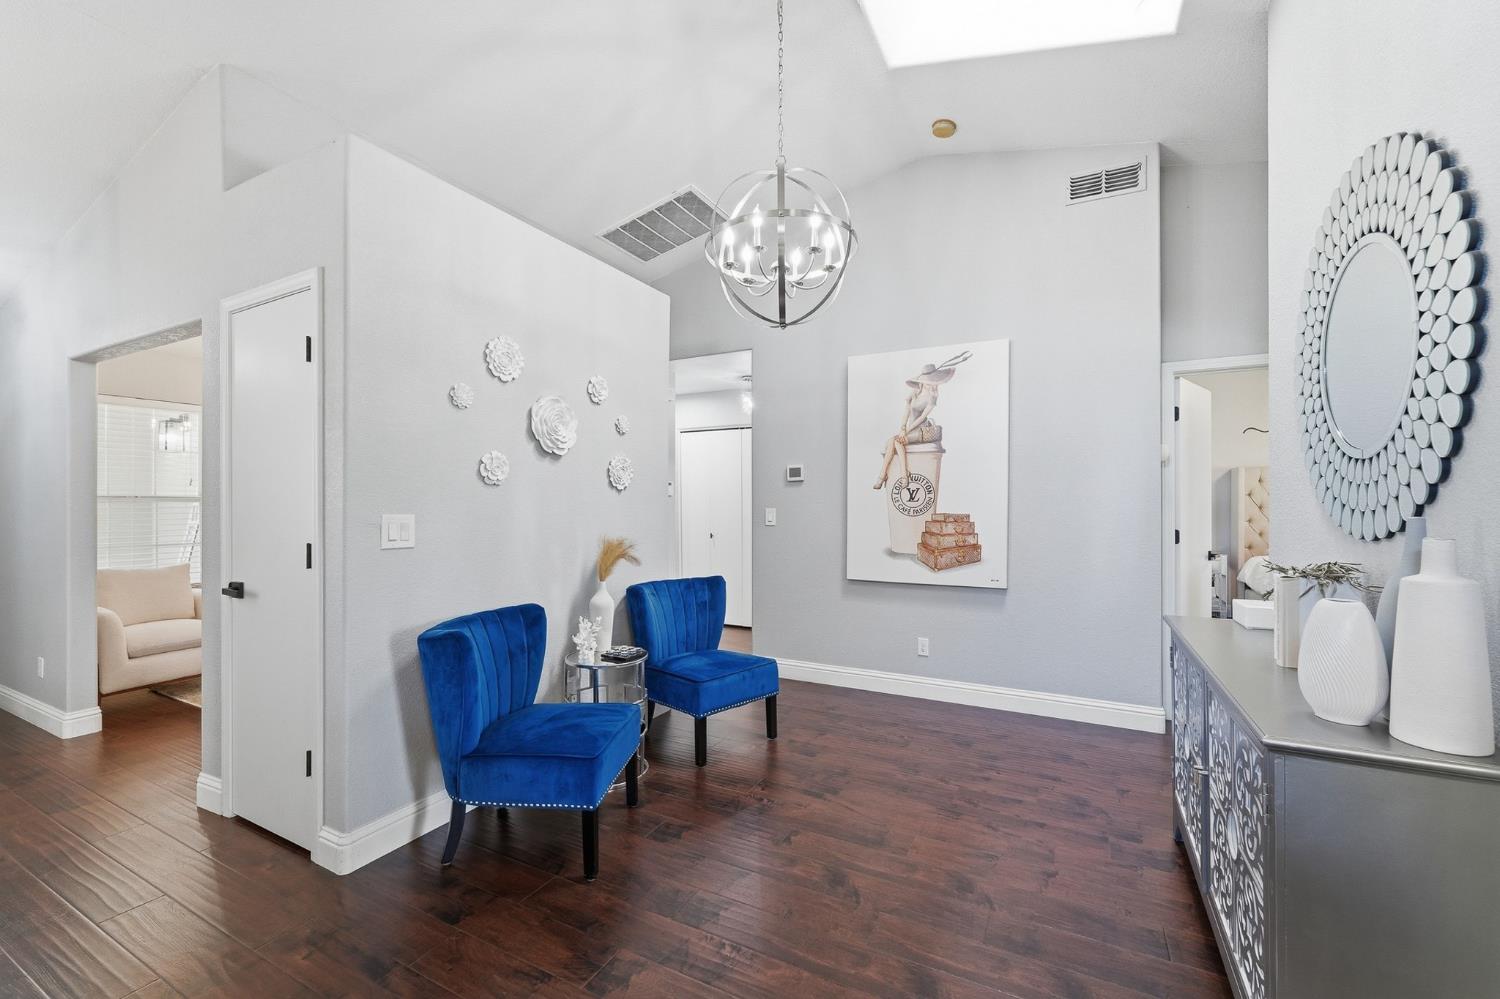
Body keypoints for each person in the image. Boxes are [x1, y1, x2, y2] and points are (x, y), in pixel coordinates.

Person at [873, 350, 971, 490]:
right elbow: (907, 410)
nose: (929, 383)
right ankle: (895, 475)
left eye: (932, 381)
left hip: (922, 431)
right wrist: (902, 427)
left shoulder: (932, 397)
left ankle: (890, 476)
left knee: (895, 441)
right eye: (927, 381)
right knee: (892, 441)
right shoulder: (916, 391)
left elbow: (922, 418)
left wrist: (906, 431)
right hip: (908, 428)